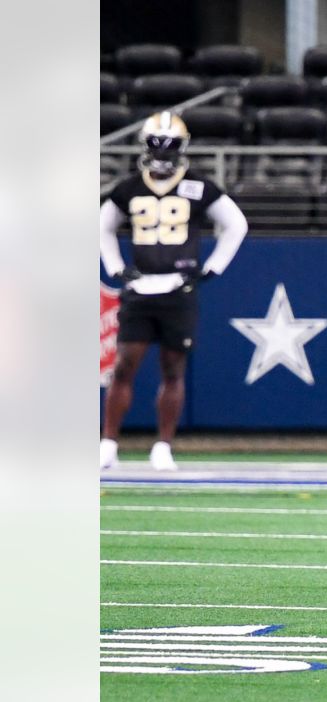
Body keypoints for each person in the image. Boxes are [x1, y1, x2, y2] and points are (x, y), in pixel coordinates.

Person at [99, 111, 248, 471]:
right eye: (156, 145)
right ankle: (108, 443)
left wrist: (213, 267)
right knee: (124, 366)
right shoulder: (129, 188)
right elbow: (102, 226)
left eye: (169, 146)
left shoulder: (198, 186)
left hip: (177, 289)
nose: (163, 153)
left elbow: (236, 224)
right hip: (140, 288)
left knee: (173, 368)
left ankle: (163, 445)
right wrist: (117, 268)